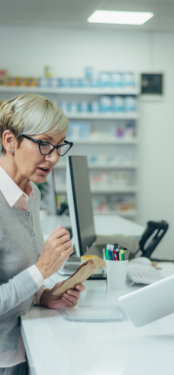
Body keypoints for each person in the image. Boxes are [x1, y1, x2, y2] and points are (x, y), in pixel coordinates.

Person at [0, 94, 85, 374]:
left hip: (24, 344)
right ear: (9, 141)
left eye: (59, 146)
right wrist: (42, 269)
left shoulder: (30, 193)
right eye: (44, 144)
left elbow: (14, 275)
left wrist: (43, 295)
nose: (53, 158)